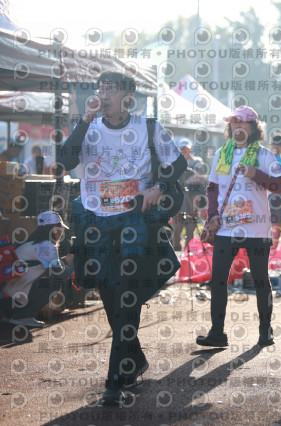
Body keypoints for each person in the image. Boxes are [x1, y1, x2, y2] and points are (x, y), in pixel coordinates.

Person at [56, 70, 186, 406]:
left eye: (110, 89)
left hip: (134, 223)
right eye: (100, 88)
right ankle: (135, 359)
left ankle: (113, 382)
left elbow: (177, 164)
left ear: (128, 97)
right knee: (111, 298)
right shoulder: (88, 127)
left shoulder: (149, 127)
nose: (103, 94)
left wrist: (158, 187)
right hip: (95, 223)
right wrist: (85, 119)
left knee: (127, 296)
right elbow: (65, 160)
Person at [197, 106, 281, 348]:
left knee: (260, 280)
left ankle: (265, 330)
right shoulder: (222, 153)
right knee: (218, 279)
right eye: (234, 122)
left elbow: (280, 186)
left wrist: (256, 174)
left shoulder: (264, 155)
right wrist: (211, 216)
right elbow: (212, 188)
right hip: (226, 228)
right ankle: (217, 332)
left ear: (253, 128)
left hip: (257, 229)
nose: (237, 126)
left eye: (242, 122)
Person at [0, 211, 73, 328]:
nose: (62, 232)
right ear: (54, 229)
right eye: (61, 228)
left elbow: (45, 266)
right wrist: (74, 263)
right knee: (54, 283)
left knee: (48, 280)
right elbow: (61, 275)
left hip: (6, 298)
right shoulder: (47, 246)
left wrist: (66, 260)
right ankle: (22, 316)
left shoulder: (31, 243)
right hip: (14, 299)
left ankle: (12, 315)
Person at [172, 138, 207, 251]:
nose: (184, 151)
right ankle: (176, 249)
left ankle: (189, 249)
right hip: (179, 196)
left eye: (186, 149)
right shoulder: (175, 162)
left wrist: (188, 180)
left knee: (191, 223)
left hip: (192, 196)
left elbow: (200, 177)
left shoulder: (197, 162)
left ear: (190, 150)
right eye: (182, 149)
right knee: (178, 223)